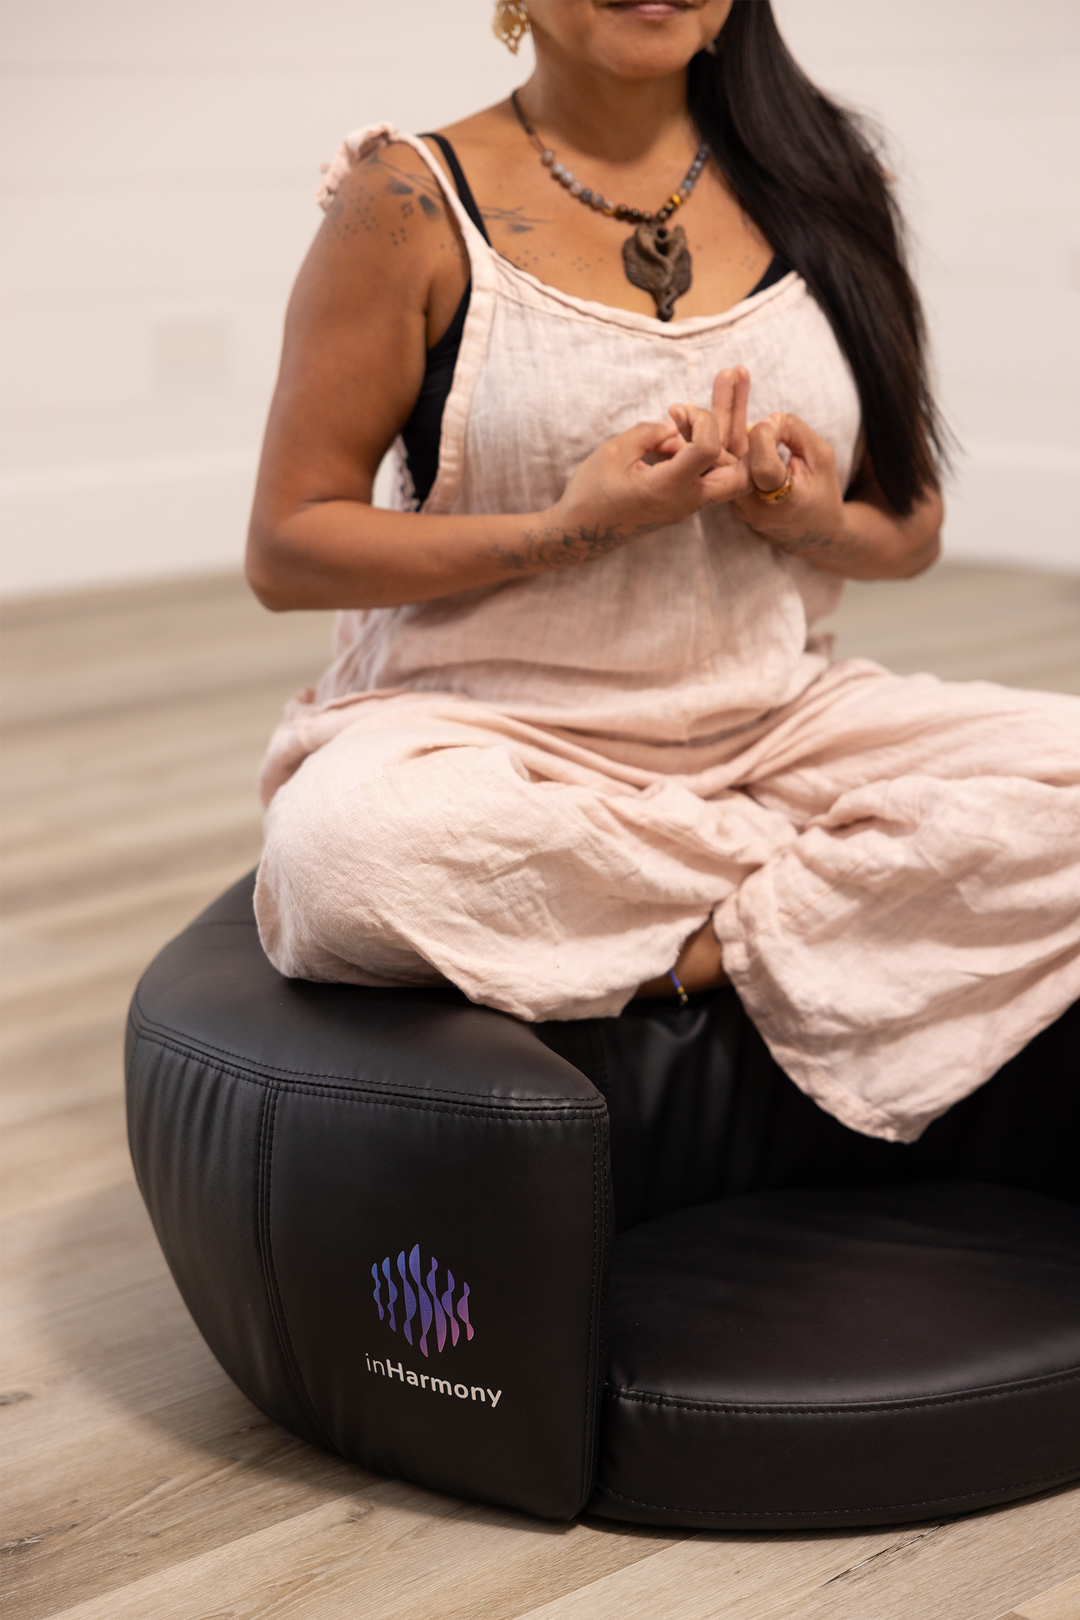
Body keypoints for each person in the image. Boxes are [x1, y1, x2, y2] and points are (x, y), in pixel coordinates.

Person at [246, 0, 1080, 1146]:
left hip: (781, 729)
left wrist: (803, 520)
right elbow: (288, 548)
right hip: (491, 736)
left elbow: (911, 527)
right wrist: (571, 527)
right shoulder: (403, 202)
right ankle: (831, 901)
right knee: (341, 859)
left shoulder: (835, 181)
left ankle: (689, 936)